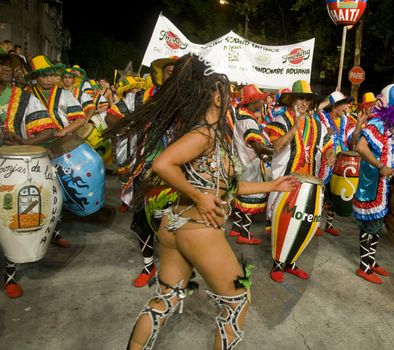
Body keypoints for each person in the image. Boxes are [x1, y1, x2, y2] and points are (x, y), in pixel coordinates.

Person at [110, 53, 296, 350]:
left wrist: (274, 184)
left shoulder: (213, 135)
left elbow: (227, 186)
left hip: (175, 228)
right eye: (227, 92)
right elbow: (163, 164)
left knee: (167, 298)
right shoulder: (203, 133)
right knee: (237, 303)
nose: (232, 97)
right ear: (215, 97)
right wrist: (199, 197)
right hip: (197, 228)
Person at [106, 57, 178, 288]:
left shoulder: (189, 101)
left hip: (178, 172)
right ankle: (149, 265)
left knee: (175, 220)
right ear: (160, 74)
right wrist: (132, 127)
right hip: (144, 170)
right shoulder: (140, 98)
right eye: (169, 72)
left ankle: (174, 264)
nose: (173, 76)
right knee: (142, 218)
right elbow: (112, 115)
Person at [0, 53, 59, 298]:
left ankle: (10, 274)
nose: (5, 68)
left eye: (8, 65)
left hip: (9, 168)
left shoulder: (23, 99)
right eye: (0, 64)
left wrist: (24, 141)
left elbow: (48, 130)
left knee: (8, 217)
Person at [264, 79, 334, 283]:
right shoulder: (280, 120)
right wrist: (294, 128)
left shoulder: (317, 125)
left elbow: (328, 146)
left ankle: (292, 262)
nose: (303, 102)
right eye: (300, 98)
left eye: (307, 99)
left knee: (302, 222)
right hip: (285, 181)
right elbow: (276, 146)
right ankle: (277, 263)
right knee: (283, 221)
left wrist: (330, 154)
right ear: (292, 100)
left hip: (307, 184)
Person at [352, 84, 394, 284]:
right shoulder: (376, 124)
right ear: (393, 104)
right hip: (372, 183)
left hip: (383, 184)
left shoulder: (391, 125)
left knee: (377, 226)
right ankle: (364, 266)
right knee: (371, 225)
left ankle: (371, 260)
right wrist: (380, 166)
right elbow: (360, 147)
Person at [315, 90, 364, 237]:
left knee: (333, 196)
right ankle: (316, 224)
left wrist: (358, 126)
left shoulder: (346, 121)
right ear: (335, 106)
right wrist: (331, 97)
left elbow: (353, 141)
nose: (347, 107)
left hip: (340, 163)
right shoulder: (323, 118)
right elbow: (318, 108)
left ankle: (329, 224)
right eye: (344, 104)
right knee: (321, 195)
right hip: (326, 162)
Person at [229, 84, 273, 245]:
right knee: (252, 198)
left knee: (242, 197)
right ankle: (245, 233)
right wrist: (275, 152)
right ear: (253, 101)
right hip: (250, 165)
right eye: (260, 100)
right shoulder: (249, 122)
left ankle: (235, 227)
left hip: (240, 163)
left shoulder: (241, 117)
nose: (262, 103)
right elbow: (258, 147)